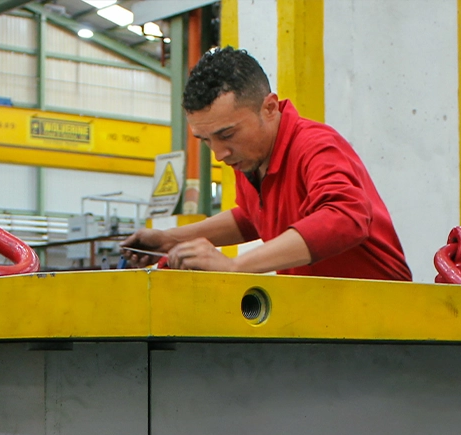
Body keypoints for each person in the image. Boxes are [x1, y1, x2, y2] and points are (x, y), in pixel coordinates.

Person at [122, 47, 412, 281]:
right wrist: (168, 240)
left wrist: (235, 266)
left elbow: (346, 217)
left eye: (227, 134)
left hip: (379, 322)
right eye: (206, 140)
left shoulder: (315, 145)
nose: (219, 154)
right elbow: (251, 218)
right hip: (316, 321)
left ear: (269, 108)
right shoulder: (250, 158)